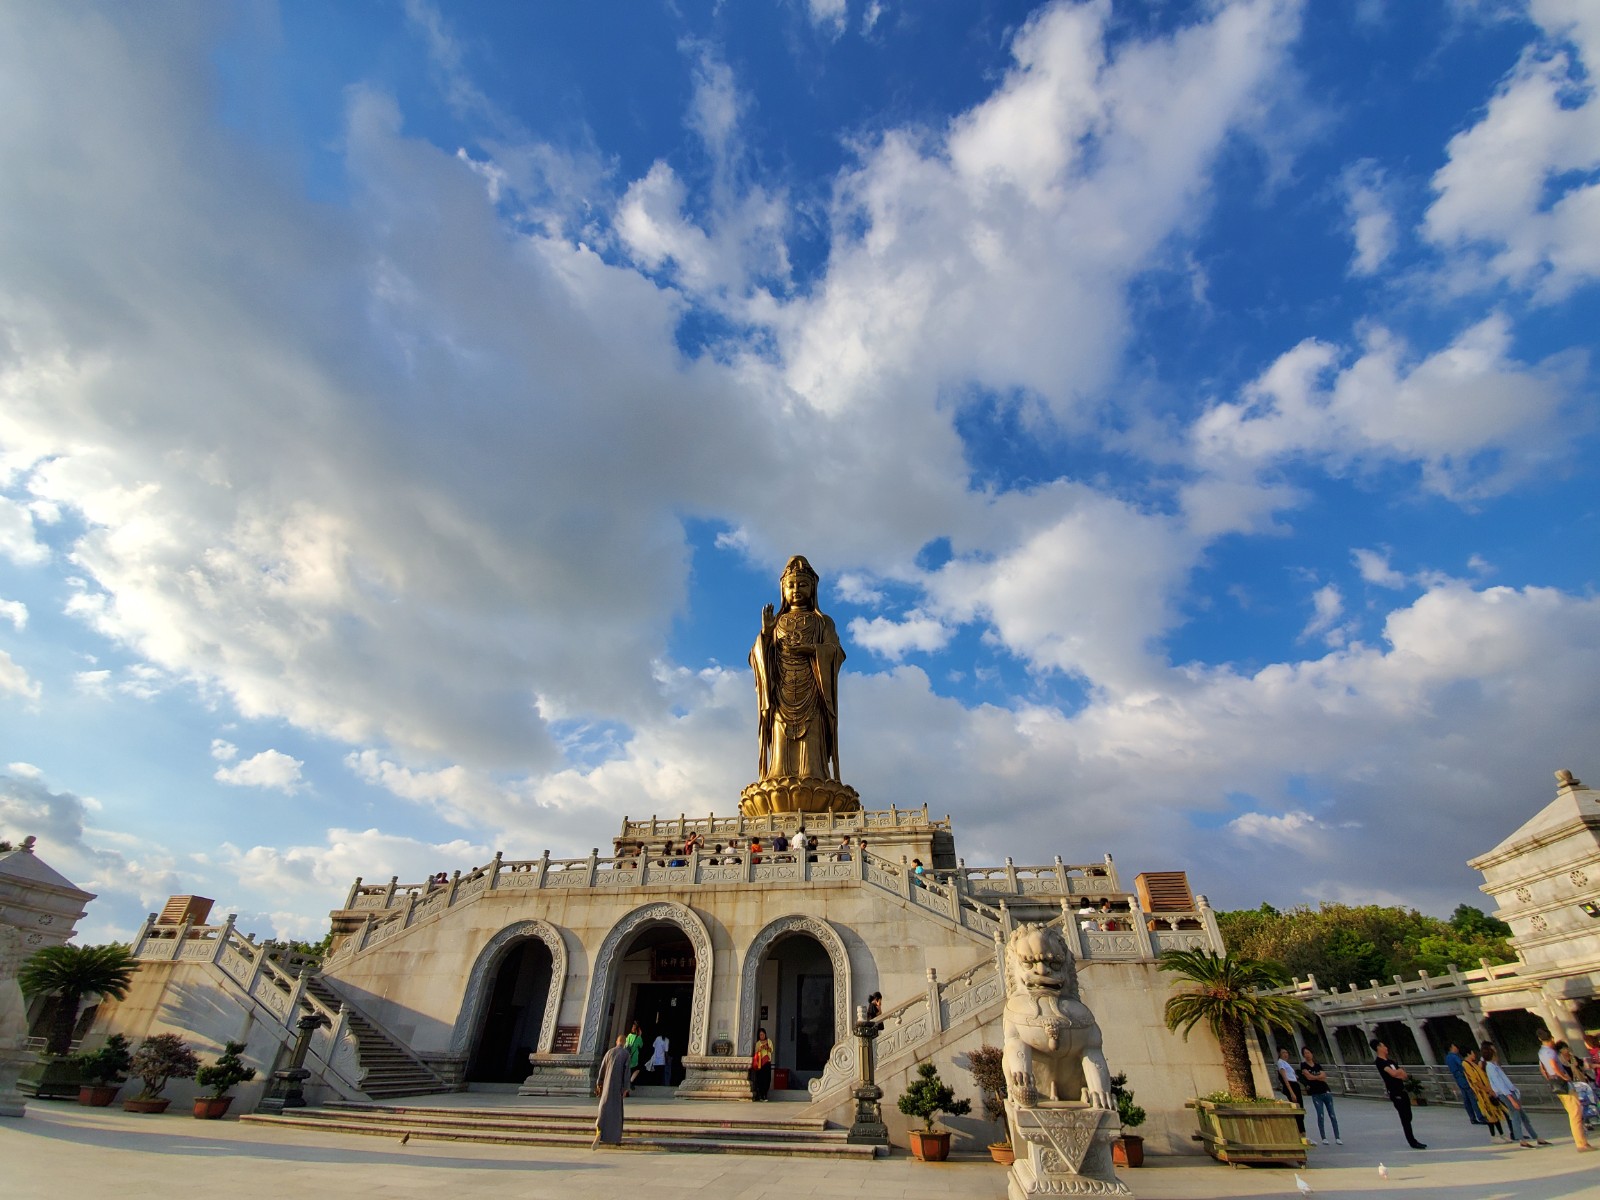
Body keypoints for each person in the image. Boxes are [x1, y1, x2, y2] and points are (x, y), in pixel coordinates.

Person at [749, 555, 845, 784]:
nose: (796, 589)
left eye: (802, 584)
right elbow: (757, 657)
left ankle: (815, 777)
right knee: (781, 735)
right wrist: (765, 633)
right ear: (782, 589)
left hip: (813, 690)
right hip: (781, 692)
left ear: (813, 588)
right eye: (790, 585)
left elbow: (836, 652)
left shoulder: (823, 622)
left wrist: (813, 650)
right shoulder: (777, 622)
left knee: (812, 737)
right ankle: (777, 776)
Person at [1484, 1043, 1547, 1147]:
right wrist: (1511, 1099)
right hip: (1507, 1094)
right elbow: (1500, 1085)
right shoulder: (1491, 1067)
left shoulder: (1494, 1066)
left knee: (1522, 1116)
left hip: (1510, 1092)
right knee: (1516, 1116)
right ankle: (1521, 1139)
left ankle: (1536, 1137)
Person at [1539, 1029, 1593, 1150]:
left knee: (1573, 1112)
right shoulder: (1550, 1052)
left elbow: (1543, 1069)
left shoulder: (1541, 1052)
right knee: (1575, 1113)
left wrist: (1549, 1077)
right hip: (1563, 1084)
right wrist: (1564, 1077)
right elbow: (1553, 1065)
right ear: (1551, 1039)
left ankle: (1581, 1141)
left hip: (1555, 1084)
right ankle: (1581, 1143)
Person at [1371, 1038, 1426, 1149]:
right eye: (1384, 1046)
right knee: (1404, 1118)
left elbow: (1403, 1075)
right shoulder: (1380, 1062)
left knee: (1408, 1115)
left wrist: (1399, 1073)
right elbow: (1393, 1073)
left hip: (1402, 1090)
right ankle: (1412, 1141)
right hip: (1395, 1092)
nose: (1386, 1048)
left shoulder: (1391, 1062)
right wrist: (1398, 1072)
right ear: (1378, 1048)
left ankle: (1411, 1138)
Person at [1462, 1047, 1507, 1142]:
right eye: (1473, 1053)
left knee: (1495, 1113)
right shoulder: (1466, 1065)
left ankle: (1502, 1134)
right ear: (1468, 1054)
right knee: (1490, 1115)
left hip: (1487, 1091)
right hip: (1482, 1093)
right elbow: (1475, 1081)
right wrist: (1487, 1090)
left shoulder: (1474, 1064)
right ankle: (1493, 1136)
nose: (1474, 1055)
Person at [1299, 1046, 1341, 1145]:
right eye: (1305, 1053)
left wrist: (1314, 1077)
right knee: (1320, 1115)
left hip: (1325, 1091)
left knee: (1332, 1115)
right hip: (1316, 1093)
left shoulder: (1318, 1065)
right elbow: (1308, 1077)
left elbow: (1323, 1077)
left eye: (1308, 1052)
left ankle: (1337, 1137)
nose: (1307, 1055)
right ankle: (1324, 1137)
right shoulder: (1303, 1065)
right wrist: (1317, 1077)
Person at [594, 1034, 630, 1148]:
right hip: (617, 1087)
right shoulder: (625, 1054)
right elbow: (627, 1072)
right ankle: (615, 1137)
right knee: (616, 1112)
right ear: (625, 1043)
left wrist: (599, 1082)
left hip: (606, 1086)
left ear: (616, 1041)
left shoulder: (609, 1052)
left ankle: (599, 1131)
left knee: (603, 1108)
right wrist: (625, 1088)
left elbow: (602, 1069)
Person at [1557, 1040, 1599, 1131]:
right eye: (1564, 1048)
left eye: (1566, 1048)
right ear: (1560, 1050)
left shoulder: (1573, 1058)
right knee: (1579, 1104)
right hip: (1572, 1084)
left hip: (1582, 1082)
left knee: (1587, 1102)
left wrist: (1591, 1065)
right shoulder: (1560, 1061)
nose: (1566, 1050)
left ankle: (1588, 1120)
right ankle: (1583, 1123)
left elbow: (1584, 1066)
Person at [1444, 1042, 1485, 1126]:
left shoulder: (1447, 1057)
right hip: (1463, 1078)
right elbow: (1462, 1065)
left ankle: (1472, 1118)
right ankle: (1480, 1117)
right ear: (1451, 1047)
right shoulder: (1454, 1057)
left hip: (1458, 1079)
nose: (1457, 1048)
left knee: (1466, 1100)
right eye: (1455, 1046)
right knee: (1473, 1098)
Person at [1275, 1047, 1306, 1137]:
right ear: (1280, 1054)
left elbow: (1292, 1075)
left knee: (1300, 1110)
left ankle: (1301, 1132)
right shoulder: (1280, 1063)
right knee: (1297, 1110)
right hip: (1291, 1086)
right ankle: (1301, 1133)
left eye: (1287, 1052)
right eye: (1283, 1052)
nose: (1286, 1054)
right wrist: (1291, 1092)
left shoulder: (1286, 1063)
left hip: (1295, 1085)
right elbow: (1285, 1078)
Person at [750, 1028, 774, 1101]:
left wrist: (766, 1047)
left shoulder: (769, 1041)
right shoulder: (758, 1043)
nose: (762, 1036)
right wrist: (760, 1049)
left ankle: (765, 1094)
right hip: (760, 1063)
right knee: (760, 1079)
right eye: (760, 1035)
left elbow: (771, 1050)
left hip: (767, 1062)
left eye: (763, 1034)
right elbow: (756, 1052)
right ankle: (760, 1094)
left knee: (767, 1079)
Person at [625, 1021, 645, 1086]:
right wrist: (640, 1035)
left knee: (627, 1070)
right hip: (634, 1057)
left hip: (627, 1055)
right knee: (637, 1070)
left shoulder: (629, 1036)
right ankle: (630, 1081)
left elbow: (626, 1045)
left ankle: (626, 1083)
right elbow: (641, 1045)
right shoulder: (638, 1038)